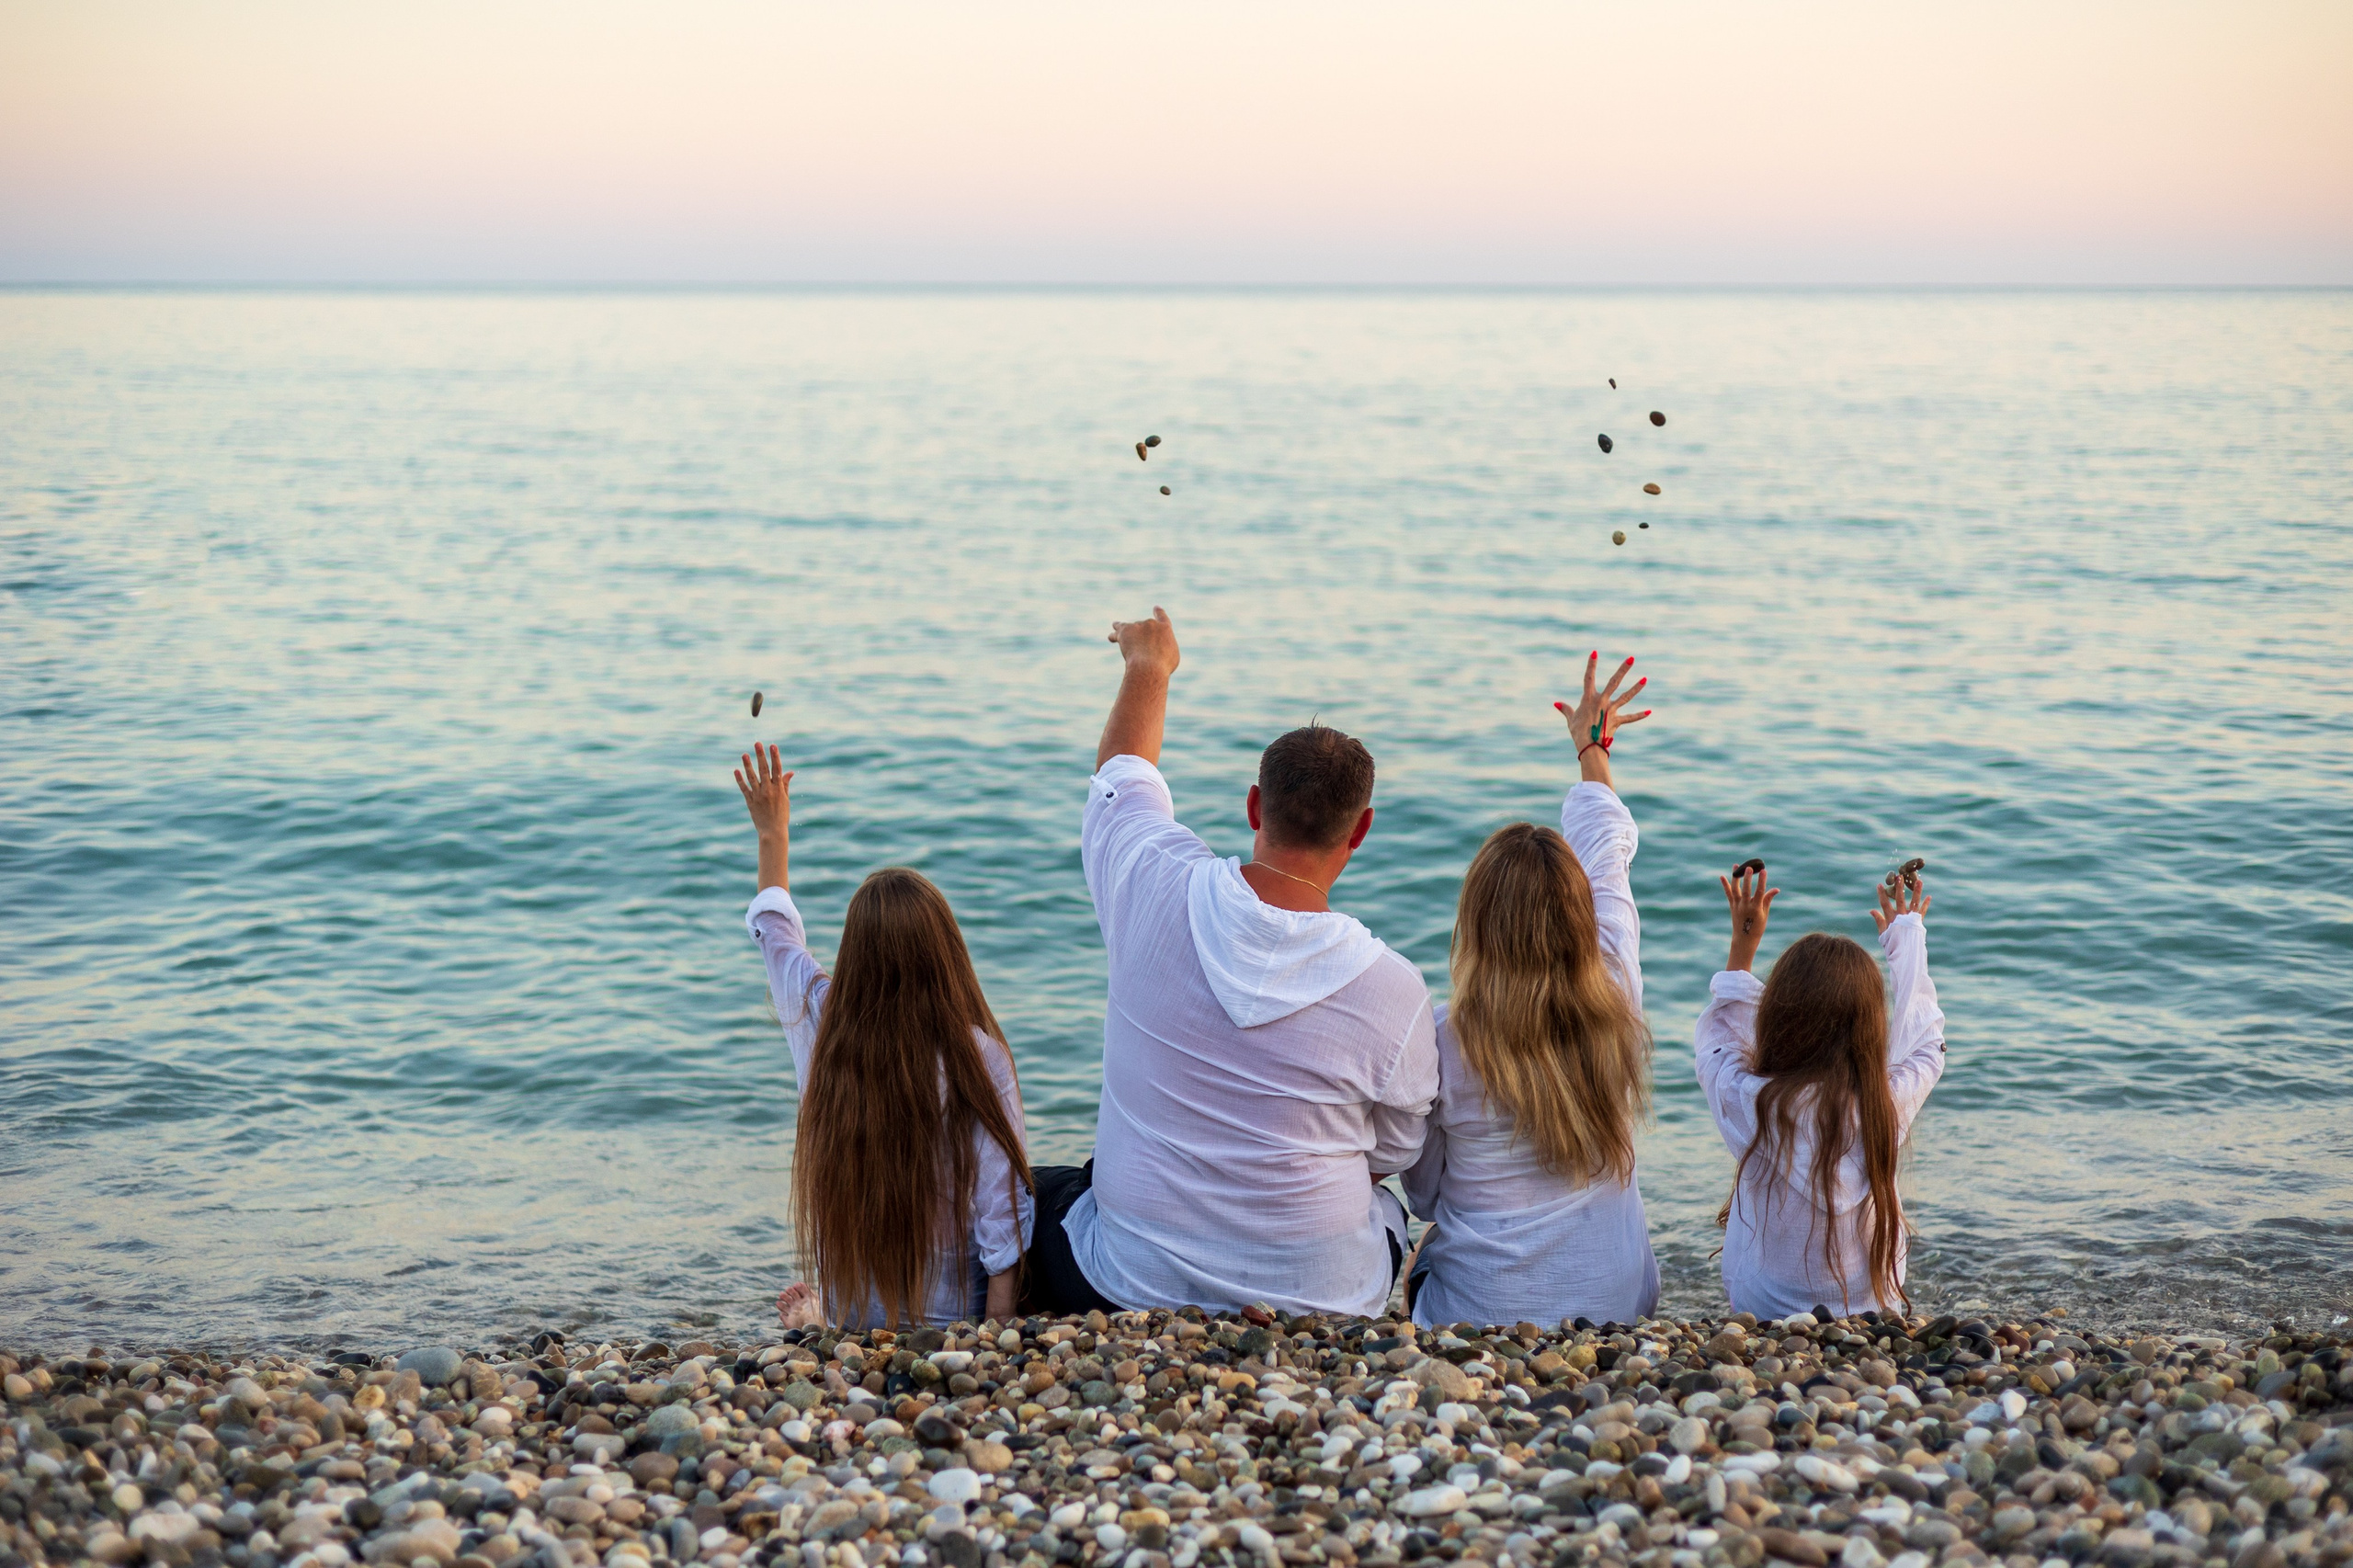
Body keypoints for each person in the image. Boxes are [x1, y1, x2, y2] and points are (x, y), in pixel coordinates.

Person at [1023, 607, 1439, 1318]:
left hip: (1127, 1283)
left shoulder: (1153, 882)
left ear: (1255, 806)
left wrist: (1148, 666)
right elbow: (1395, 1150)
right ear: (1361, 830)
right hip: (1326, 1298)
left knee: (1027, 1195)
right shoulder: (1393, 989)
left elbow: (1124, 776)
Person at [733, 744, 1033, 1329]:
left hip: (853, 1315)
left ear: (855, 953)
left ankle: (822, 1322)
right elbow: (1004, 1211)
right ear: (947, 956)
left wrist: (773, 833)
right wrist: (995, 1339)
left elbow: (775, 930)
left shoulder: (820, 1013)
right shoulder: (977, 1054)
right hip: (952, 1318)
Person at [1401, 652, 1658, 1328]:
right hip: (1617, 1308)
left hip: (1477, 1317)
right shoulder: (1618, 994)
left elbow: (1425, 1197)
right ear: (1579, 919)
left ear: (1477, 925)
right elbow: (1608, 857)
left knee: (1421, 1249)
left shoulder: (1442, 1037)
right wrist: (1592, 750)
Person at [1696, 863, 1945, 1319]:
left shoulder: (1750, 1099)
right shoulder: (1884, 1104)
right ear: (1870, 1029)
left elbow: (1719, 1040)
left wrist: (1743, 947)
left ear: (1776, 1016)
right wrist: (1907, 940)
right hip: (1876, 1304)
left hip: (1761, 1307)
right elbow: (1926, 1044)